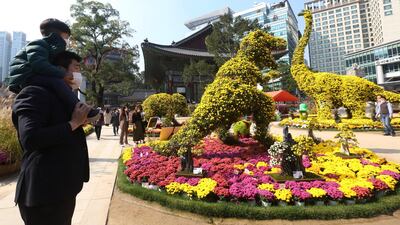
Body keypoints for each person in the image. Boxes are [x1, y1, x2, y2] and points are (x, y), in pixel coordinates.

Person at [12, 50, 90, 225]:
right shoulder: (34, 92)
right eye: (76, 67)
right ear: (59, 70)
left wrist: (75, 124)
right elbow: (30, 138)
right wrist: (72, 124)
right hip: (43, 194)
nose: (79, 73)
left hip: (61, 189)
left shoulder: (62, 97)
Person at [8, 18, 98, 120]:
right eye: (66, 37)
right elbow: (39, 65)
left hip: (33, 75)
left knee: (57, 85)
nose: (67, 41)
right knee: (56, 81)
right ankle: (83, 109)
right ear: (56, 36)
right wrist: (63, 74)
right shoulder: (39, 44)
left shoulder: (49, 49)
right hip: (26, 75)